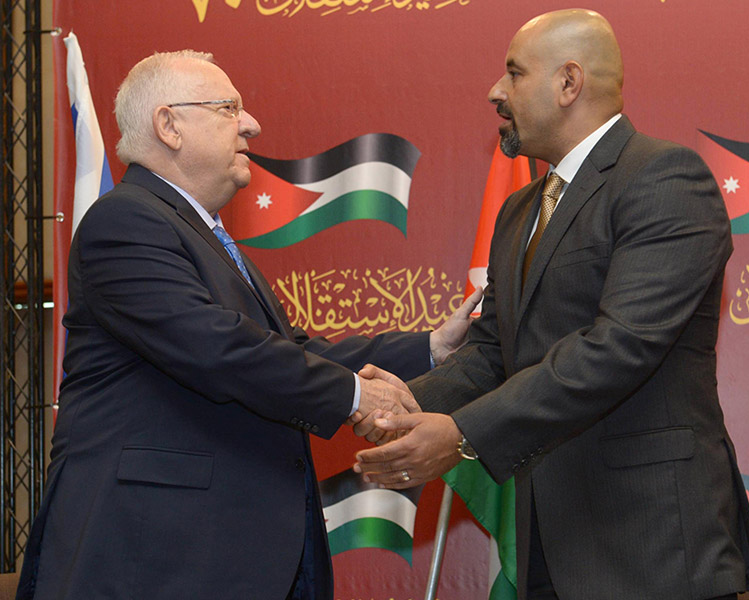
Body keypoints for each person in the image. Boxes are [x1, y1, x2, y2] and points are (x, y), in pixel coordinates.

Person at [15, 50, 479, 600]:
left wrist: (432, 348)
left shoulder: (199, 233)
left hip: (235, 554)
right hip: (157, 559)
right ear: (169, 126)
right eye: (228, 107)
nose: (252, 124)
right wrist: (358, 396)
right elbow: (218, 348)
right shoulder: (126, 219)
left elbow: (288, 351)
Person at [353, 9, 749, 600]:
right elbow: (494, 352)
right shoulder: (520, 210)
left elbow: (617, 347)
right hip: (547, 543)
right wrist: (404, 403)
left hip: (650, 551)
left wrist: (461, 433)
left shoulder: (664, 179)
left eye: (514, 74)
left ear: (568, 83)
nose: (494, 92)